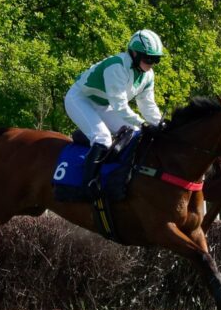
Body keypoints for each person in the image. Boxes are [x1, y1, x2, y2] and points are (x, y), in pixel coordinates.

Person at [65, 29, 165, 196]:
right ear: (134, 53)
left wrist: (161, 124)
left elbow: (148, 105)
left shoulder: (148, 75)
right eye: (148, 58)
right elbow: (119, 106)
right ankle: (87, 185)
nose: (151, 63)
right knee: (102, 137)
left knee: (135, 134)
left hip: (104, 105)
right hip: (80, 100)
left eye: (156, 59)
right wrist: (143, 123)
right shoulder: (117, 67)